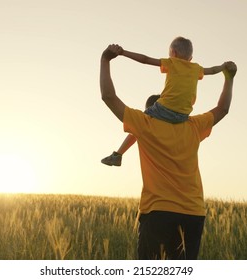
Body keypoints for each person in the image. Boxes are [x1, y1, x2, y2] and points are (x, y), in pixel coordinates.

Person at [99, 44, 237, 259]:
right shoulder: (193, 126)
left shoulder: (144, 124)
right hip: (193, 214)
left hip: (157, 212)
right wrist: (229, 78)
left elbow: (108, 96)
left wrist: (105, 60)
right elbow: (223, 109)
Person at [102, 36, 225, 166]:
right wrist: (223, 67)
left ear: (173, 53)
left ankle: (118, 154)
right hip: (183, 116)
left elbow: (145, 59)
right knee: (141, 124)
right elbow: (212, 70)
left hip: (164, 109)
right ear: (191, 59)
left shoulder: (172, 63)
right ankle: (118, 155)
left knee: (141, 122)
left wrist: (123, 52)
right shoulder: (196, 69)